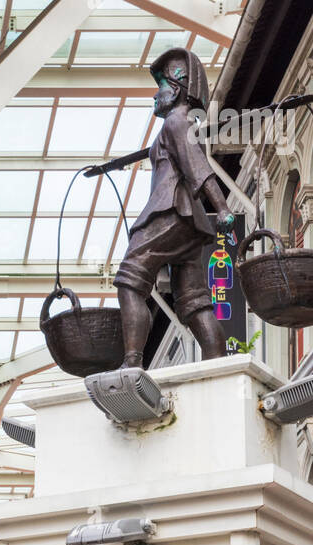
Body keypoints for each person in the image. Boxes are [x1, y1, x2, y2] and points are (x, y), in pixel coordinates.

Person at [111, 48, 235, 367]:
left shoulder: (177, 122)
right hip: (190, 226)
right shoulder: (179, 125)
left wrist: (222, 207)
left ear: (176, 89)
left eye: (161, 86)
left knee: (129, 280)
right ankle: (217, 365)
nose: (156, 94)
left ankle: (132, 362)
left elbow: (197, 167)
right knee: (194, 303)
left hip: (170, 213)